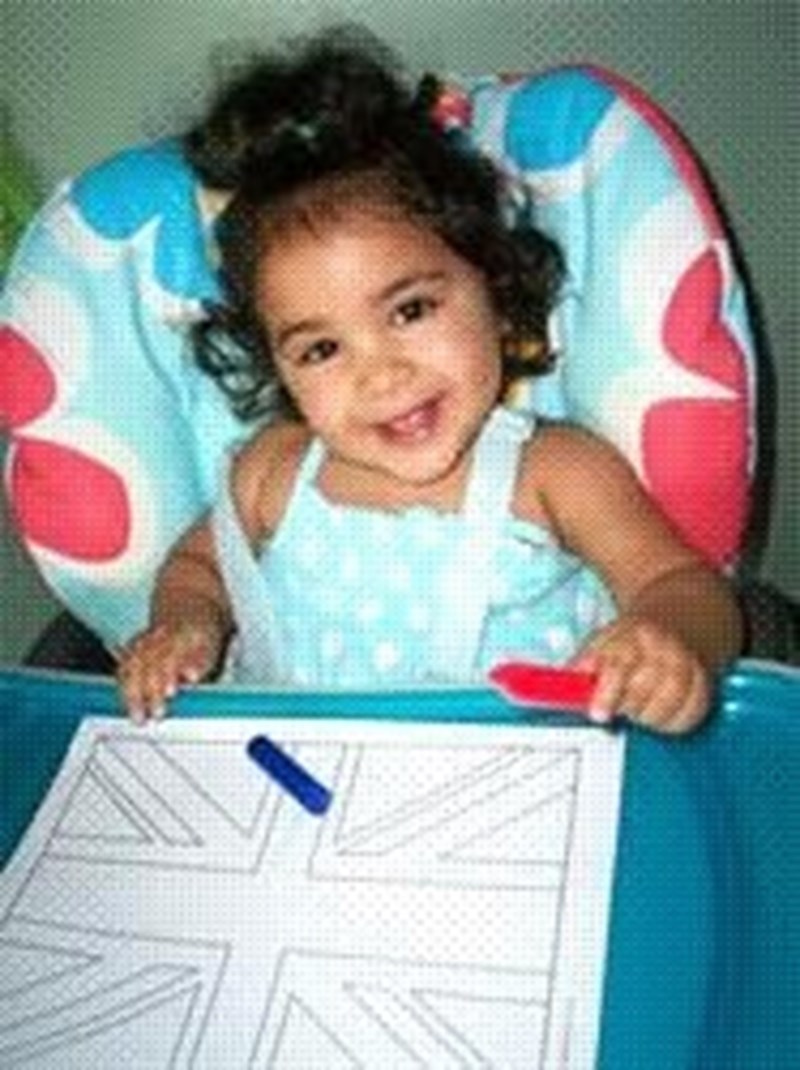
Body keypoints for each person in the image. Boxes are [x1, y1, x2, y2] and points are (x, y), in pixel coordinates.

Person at [116, 28, 742, 731]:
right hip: (285, 779)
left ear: (493, 287)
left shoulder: (555, 473)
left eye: (410, 310)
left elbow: (685, 585)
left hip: (517, 782)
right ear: (277, 366)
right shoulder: (270, 473)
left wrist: (670, 642)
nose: (381, 375)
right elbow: (197, 568)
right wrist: (185, 624)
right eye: (322, 349)